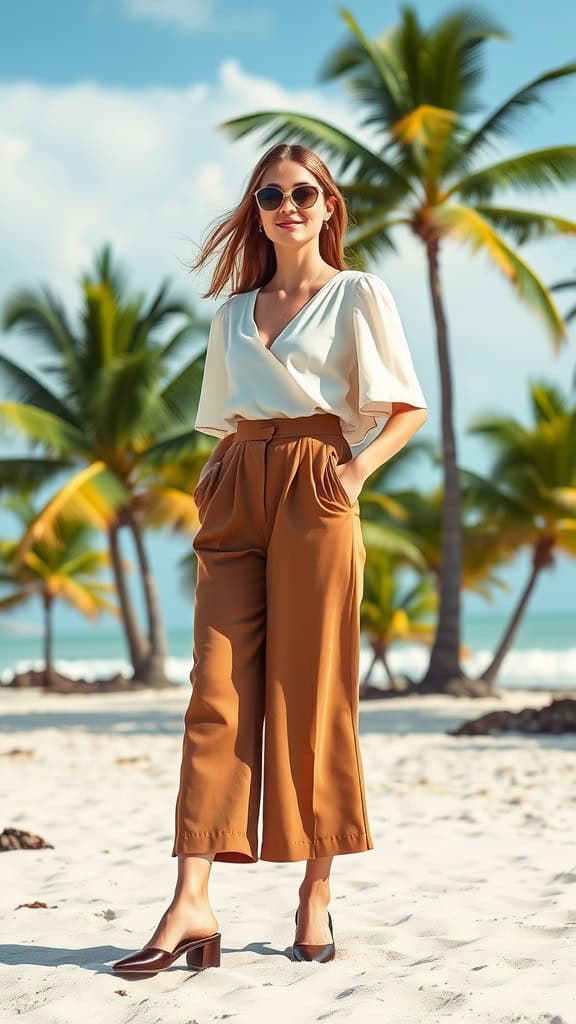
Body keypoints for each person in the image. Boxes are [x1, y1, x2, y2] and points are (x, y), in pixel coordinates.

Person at [112, 142, 428, 976]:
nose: (287, 206)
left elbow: (405, 407)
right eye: (269, 195)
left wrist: (352, 474)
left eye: (302, 192)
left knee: (313, 688)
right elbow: (220, 420)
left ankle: (316, 891)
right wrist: (217, 481)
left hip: (318, 482)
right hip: (236, 479)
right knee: (213, 690)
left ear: (328, 204)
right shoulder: (231, 313)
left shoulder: (358, 293)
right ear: (255, 209)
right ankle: (192, 901)